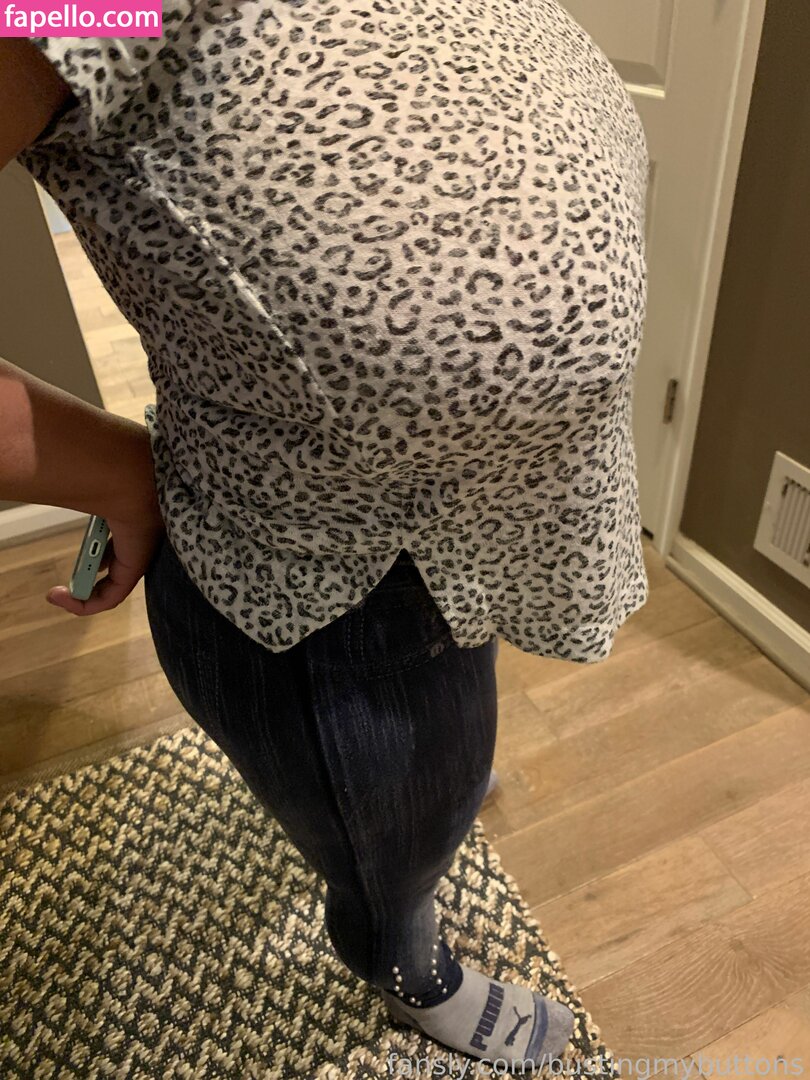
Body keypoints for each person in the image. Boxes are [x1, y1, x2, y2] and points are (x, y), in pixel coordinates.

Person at [0, 0, 650, 1066]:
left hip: (462, 526)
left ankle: (419, 819)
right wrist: (122, 472)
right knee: (387, 851)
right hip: (322, 593)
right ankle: (407, 966)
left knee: (436, 773)